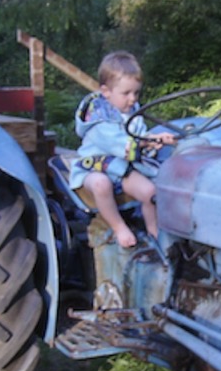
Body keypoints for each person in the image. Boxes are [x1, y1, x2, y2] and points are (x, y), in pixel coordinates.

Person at [69, 51, 176, 247]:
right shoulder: (98, 119)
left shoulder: (133, 112)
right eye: (126, 93)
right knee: (101, 184)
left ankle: (156, 237)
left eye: (136, 92)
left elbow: (139, 136)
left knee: (151, 193)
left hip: (123, 169)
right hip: (95, 167)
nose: (132, 99)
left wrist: (154, 141)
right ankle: (119, 227)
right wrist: (146, 141)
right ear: (106, 91)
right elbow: (120, 145)